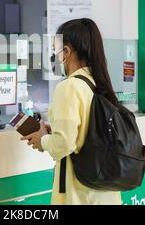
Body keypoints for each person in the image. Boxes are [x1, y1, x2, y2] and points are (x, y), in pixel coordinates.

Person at [21, 18, 122, 205]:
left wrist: (41, 140)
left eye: (55, 51)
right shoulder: (97, 83)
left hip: (79, 195)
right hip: (104, 193)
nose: (54, 57)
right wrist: (56, 128)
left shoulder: (69, 86)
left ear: (66, 52)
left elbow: (64, 143)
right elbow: (88, 130)